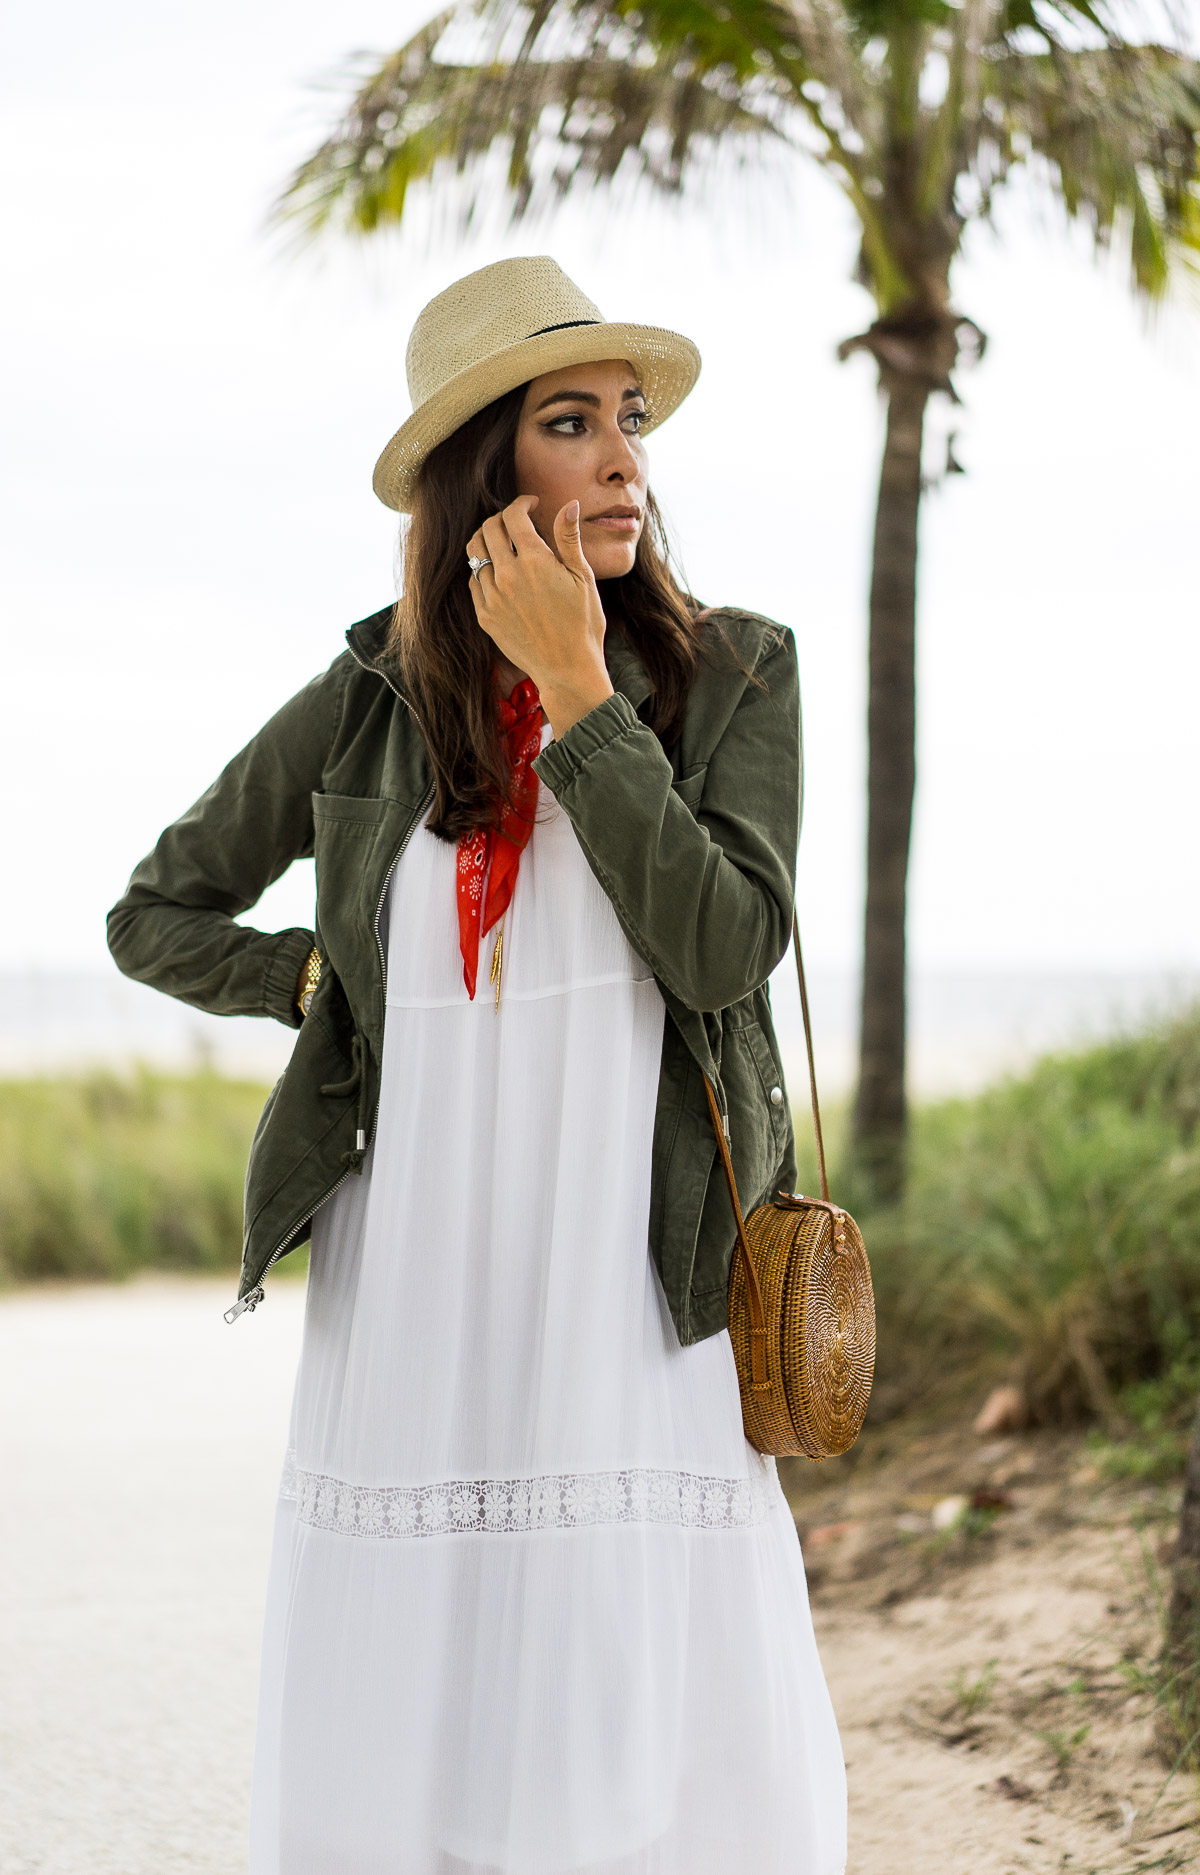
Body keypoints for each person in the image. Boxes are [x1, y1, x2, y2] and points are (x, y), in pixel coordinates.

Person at [107, 255, 847, 1875]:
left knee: (635, 1681)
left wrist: (581, 689)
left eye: (628, 422)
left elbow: (723, 949)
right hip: (419, 1268)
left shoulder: (733, 675)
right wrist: (317, 979)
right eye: (571, 424)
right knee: (421, 1691)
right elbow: (154, 914)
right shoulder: (370, 692)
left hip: (635, 1260)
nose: (624, 461)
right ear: (479, 482)